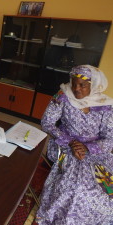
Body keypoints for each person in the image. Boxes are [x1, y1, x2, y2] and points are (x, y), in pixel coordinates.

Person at [36, 65, 113, 224]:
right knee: (77, 189)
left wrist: (88, 147)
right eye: (74, 83)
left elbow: (110, 137)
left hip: (95, 150)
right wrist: (70, 142)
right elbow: (47, 123)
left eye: (82, 85)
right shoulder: (62, 95)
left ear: (94, 85)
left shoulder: (105, 105)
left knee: (106, 189)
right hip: (65, 145)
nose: (76, 89)